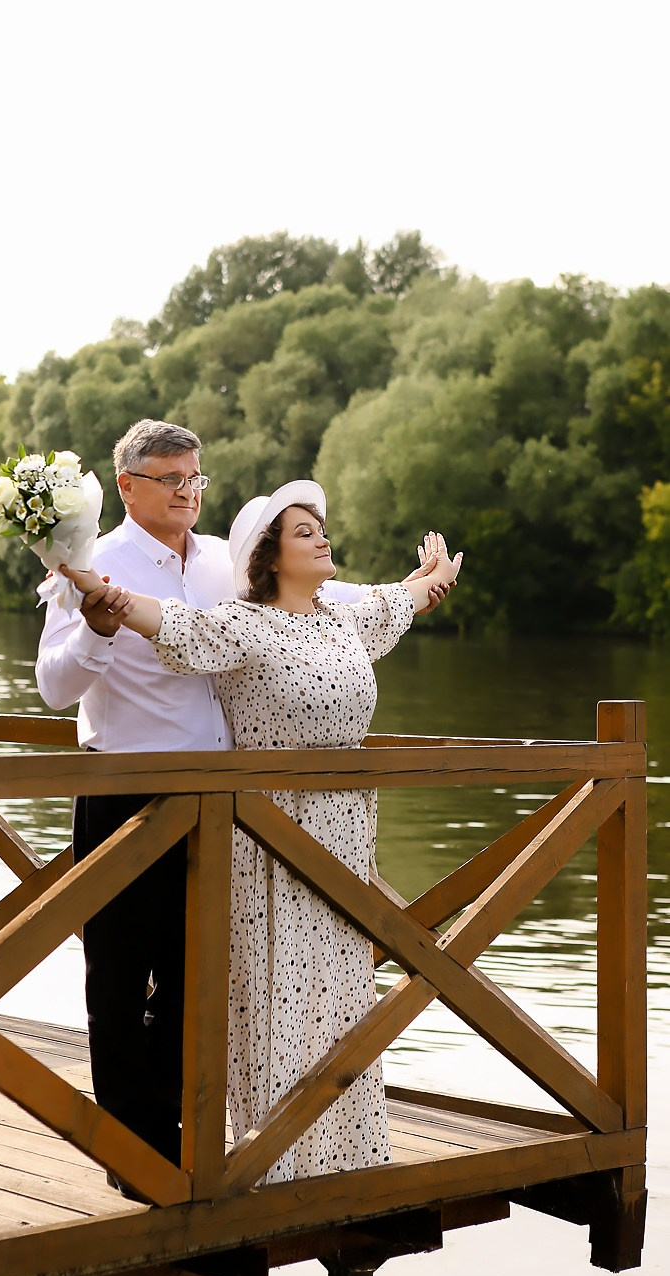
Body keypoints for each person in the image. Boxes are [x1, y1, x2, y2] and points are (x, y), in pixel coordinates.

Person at [36, 419, 452, 1194]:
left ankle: (174, 1143)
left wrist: (417, 587)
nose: (187, 492)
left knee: (198, 981)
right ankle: (135, 1160)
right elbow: (55, 687)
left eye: (194, 478)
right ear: (127, 485)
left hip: (224, 806)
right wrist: (96, 628)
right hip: (127, 792)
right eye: (171, 479)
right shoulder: (89, 562)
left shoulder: (224, 560)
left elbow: (324, 599)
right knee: (118, 982)